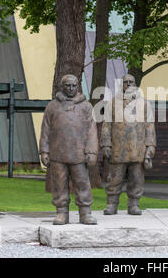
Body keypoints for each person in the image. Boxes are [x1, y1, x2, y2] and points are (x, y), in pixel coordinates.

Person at [39, 75, 98, 225]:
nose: (71, 89)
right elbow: (45, 129)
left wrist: (91, 151)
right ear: (62, 86)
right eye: (67, 86)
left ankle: (85, 212)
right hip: (58, 152)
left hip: (79, 153)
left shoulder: (86, 107)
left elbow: (92, 130)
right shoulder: (52, 106)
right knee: (59, 184)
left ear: (78, 86)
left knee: (82, 183)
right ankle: (61, 213)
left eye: (74, 85)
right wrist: (44, 151)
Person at [101, 74, 156, 215]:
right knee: (115, 179)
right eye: (126, 82)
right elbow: (106, 125)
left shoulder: (144, 104)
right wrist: (106, 144)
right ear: (122, 85)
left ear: (135, 84)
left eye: (132, 82)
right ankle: (112, 204)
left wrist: (150, 147)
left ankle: (134, 204)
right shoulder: (112, 103)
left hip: (138, 149)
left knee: (137, 179)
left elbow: (150, 126)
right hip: (118, 148)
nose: (129, 84)